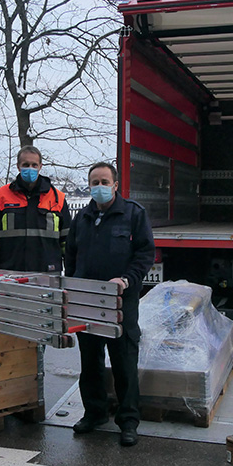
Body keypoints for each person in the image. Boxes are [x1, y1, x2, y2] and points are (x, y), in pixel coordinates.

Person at [65, 162, 155, 446]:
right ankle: (94, 412)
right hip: (88, 302)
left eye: (105, 181)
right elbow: (72, 255)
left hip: (120, 302)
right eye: (95, 182)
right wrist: (75, 285)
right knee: (89, 361)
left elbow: (145, 253)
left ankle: (128, 421)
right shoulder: (82, 218)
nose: (99, 187)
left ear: (116, 185)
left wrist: (127, 280)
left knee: (124, 362)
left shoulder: (133, 214)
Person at [0, 146, 70, 273]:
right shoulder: (1, 196)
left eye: (34, 165)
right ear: (18, 166)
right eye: (26, 164)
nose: (30, 168)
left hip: (48, 275)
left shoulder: (58, 198)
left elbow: (67, 241)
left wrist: (71, 272)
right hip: (10, 274)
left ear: (40, 166)